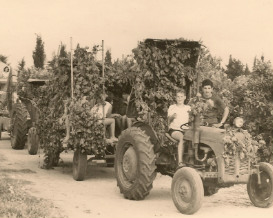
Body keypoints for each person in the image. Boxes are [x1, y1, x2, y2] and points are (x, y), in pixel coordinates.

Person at [168, 89, 191, 168]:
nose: (179, 98)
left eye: (181, 96)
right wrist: (172, 117)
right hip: (175, 130)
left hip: (186, 130)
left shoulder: (188, 108)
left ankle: (191, 161)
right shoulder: (172, 107)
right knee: (181, 137)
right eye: (178, 97)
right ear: (175, 98)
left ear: (185, 97)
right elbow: (168, 120)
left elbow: (191, 119)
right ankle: (180, 162)